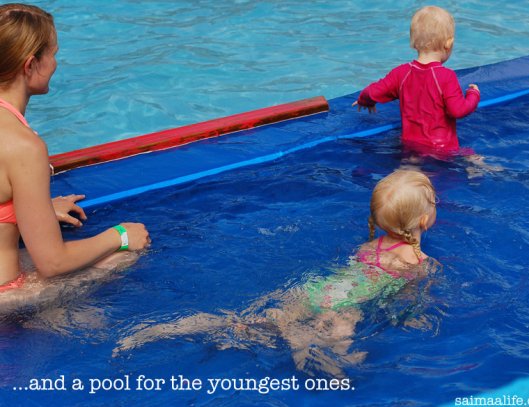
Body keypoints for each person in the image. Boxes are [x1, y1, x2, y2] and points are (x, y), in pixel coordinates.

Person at [114, 169, 440, 377]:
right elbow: (408, 301)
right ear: (424, 221)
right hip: (344, 304)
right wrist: (413, 317)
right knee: (345, 359)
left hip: (313, 289)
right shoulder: (418, 260)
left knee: (244, 322)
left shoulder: (369, 246)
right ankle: (311, 354)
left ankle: (171, 329)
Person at [0, 4, 150, 307]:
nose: (56, 63)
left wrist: (36, 209)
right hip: (6, 296)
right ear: (30, 65)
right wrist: (120, 235)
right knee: (123, 256)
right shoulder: (22, 146)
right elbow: (52, 263)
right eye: (53, 53)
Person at [352, 6, 480, 158]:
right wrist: (473, 95)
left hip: (410, 147)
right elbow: (458, 111)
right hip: (442, 150)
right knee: (469, 154)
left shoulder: (401, 73)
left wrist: (365, 101)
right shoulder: (447, 76)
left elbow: (372, 91)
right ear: (449, 43)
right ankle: (476, 164)